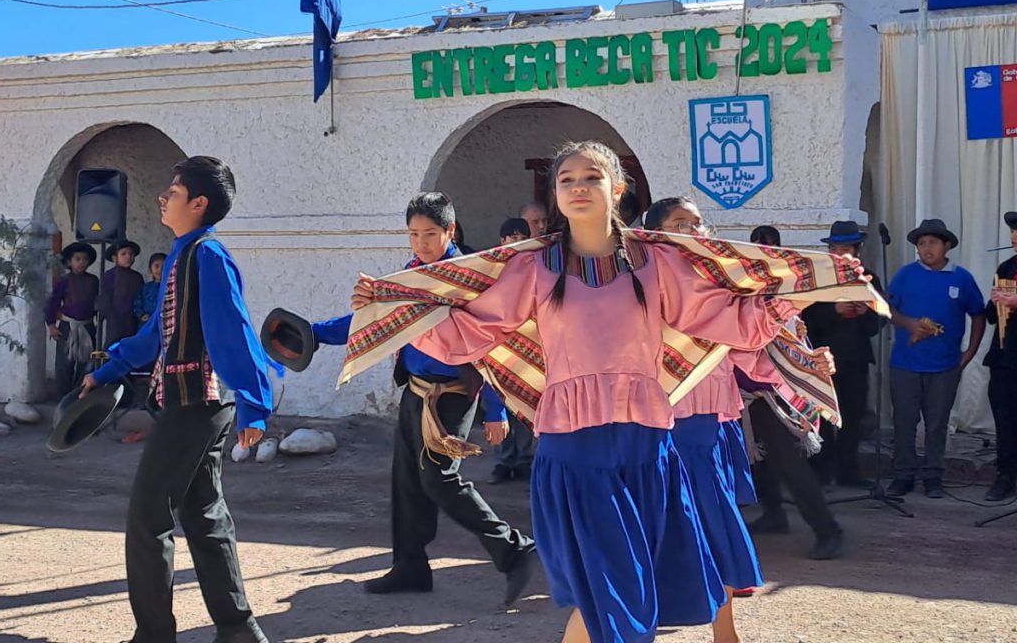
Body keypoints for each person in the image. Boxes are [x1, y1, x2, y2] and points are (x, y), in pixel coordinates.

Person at [348, 142, 873, 643]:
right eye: (566, 180)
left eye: (591, 177)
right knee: (610, 591)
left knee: (634, 592)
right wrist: (394, 307)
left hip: (647, 448)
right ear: (555, 194)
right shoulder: (534, 266)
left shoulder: (657, 261)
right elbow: (470, 333)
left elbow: (723, 320)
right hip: (573, 452)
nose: (578, 187)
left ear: (617, 187)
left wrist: (804, 291)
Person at [79, 156, 274, 643]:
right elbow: (153, 338)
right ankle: (238, 629)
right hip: (189, 408)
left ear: (199, 203)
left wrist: (254, 402)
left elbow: (234, 330)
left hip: (195, 409)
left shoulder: (208, 256)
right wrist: (105, 371)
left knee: (148, 522)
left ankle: (154, 635)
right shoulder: (183, 255)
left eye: (173, 191)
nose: (163, 197)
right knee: (205, 518)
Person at [322, 193, 536, 601]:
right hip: (415, 391)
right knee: (406, 483)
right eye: (413, 234)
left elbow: (491, 345)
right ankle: (409, 568)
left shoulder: (469, 278)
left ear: (451, 231)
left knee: (439, 479)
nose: (420, 242)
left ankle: (513, 549)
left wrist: (495, 409)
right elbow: (380, 319)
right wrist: (315, 334)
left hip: (451, 396)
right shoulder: (413, 272)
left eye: (430, 233)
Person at [645, 196, 767, 643]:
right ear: (658, 235)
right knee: (658, 526)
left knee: (714, 522)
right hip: (655, 424)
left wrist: (804, 363)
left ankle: (726, 632)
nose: (697, 232)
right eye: (683, 223)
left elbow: (748, 353)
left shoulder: (720, 288)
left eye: (699, 224)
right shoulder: (641, 287)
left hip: (706, 426)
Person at [744, 225, 844, 561]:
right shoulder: (739, 296)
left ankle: (827, 530)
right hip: (738, 392)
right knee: (756, 457)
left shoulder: (784, 301)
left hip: (773, 392)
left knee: (789, 461)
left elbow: (794, 345)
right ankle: (774, 513)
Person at [886, 218, 985, 499]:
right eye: (921, 243)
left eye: (932, 242)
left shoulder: (961, 278)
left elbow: (978, 314)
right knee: (904, 421)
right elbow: (886, 308)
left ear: (946, 246)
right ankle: (903, 475)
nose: (926, 248)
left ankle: (933, 476)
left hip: (945, 365)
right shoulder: (905, 275)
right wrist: (908, 324)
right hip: (905, 363)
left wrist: (970, 353)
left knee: (937, 423)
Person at [803, 221, 885, 488]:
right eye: (836, 247)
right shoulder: (817, 278)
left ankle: (848, 472)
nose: (841, 253)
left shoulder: (868, 277)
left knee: (853, 417)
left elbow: (879, 322)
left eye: (847, 247)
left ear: (857, 249)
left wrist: (865, 313)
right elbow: (805, 320)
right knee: (822, 418)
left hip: (856, 360)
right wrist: (834, 311)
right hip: (821, 361)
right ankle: (820, 473)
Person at [489, 217, 536, 484]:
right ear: (502, 240)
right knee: (500, 402)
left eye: (521, 237)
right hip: (499, 344)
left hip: (529, 346)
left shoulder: (537, 266)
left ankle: (524, 460)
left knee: (526, 406)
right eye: (511, 237)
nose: (516, 242)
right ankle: (503, 461)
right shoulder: (493, 268)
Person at [983, 211, 1017, 501]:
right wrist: (997, 301)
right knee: (1005, 419)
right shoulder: (1005, 268)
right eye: (1013, 232)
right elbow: (992, 318)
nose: (1014, 236)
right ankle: (1005, 474)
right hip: (1005, 359)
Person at [45, 241, 99, 399]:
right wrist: (51, 325)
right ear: (69, 262)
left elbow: (96, 303)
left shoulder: (93, 281)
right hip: (67, 327)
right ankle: (63, 398)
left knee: (87, 363)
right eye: (77, 259)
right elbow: (53, 303)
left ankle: (80, 395)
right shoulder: (63, 281)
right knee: (64, 364)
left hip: (88, 326)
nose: (82, 262)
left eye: (85, 259)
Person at [102, 240, 144, 346]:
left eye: (131, 254)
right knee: (112, 349)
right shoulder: (109, 276)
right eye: (123, 254)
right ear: (115, 258)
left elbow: (141, 297)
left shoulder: (137, 277)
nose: (128, 257)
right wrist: (110, 317)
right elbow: (105, 299)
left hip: (133, 321)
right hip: (114, 321)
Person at [135, 252, 167, 324]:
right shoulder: (145, 288)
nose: (160, 270)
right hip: (146, 323)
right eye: (156, 266)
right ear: (150, 269)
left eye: (164, 267)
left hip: (164, 324)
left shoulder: (171, 288)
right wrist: (141, 314)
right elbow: (137, 304)